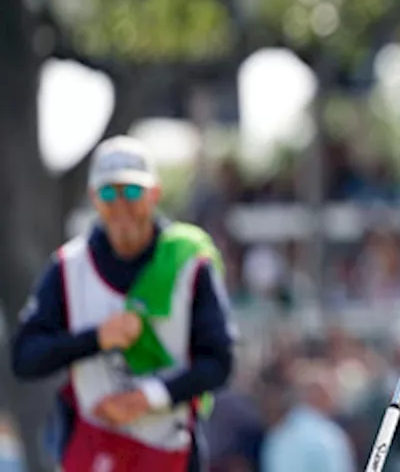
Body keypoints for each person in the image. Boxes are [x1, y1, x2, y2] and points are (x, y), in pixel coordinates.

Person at [9, 135, 236, 472]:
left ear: (154, 194)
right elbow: (25, 357)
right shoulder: (69, 267)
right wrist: (96, 338)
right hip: (92, 442)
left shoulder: (189, 263)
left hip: (169, 448)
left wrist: (148, 397)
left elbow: (219, 362)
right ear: (93, 199)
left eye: (132, 191)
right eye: (108, 193)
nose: (121, 205)